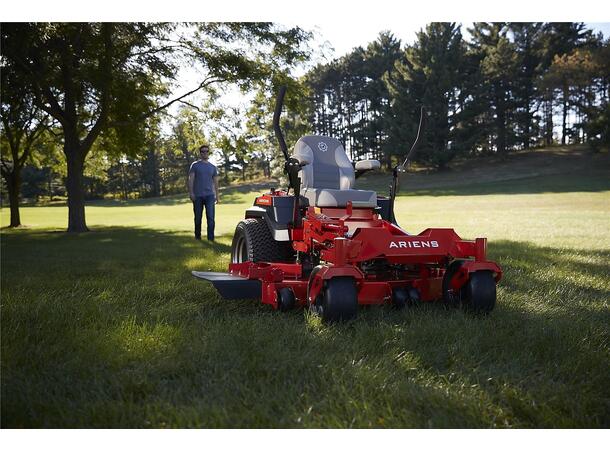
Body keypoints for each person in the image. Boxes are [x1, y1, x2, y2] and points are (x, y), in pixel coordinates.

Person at [188, 144, 220, 241]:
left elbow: (216, 183)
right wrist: (191, 193)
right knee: (198, 218)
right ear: (200, 153)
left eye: (206, 151)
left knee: (211, 218)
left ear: (208, 153)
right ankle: (198, 237)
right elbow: (191, 179)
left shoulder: (213, 167)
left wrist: (217, 196)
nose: (205, 153)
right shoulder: (195, 165)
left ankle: (211, 239)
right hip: (197, 196)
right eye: (203, 151)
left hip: (210, 196)